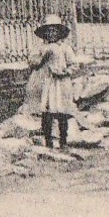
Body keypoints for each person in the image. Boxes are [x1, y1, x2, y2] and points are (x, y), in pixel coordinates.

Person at [29, 14, 82, 149]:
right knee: (47, 112)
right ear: (44, 33)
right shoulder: (40, 48)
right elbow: (32, 62)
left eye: (54, 30)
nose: (51, 33)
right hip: (46, 82)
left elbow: (74, 65)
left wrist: (65, 72)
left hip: (61, 83)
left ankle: (63, 140)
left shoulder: (65, 48)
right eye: (48, 31)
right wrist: (42, 58)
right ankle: (48, 141)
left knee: (62, 111)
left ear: (59, 32)